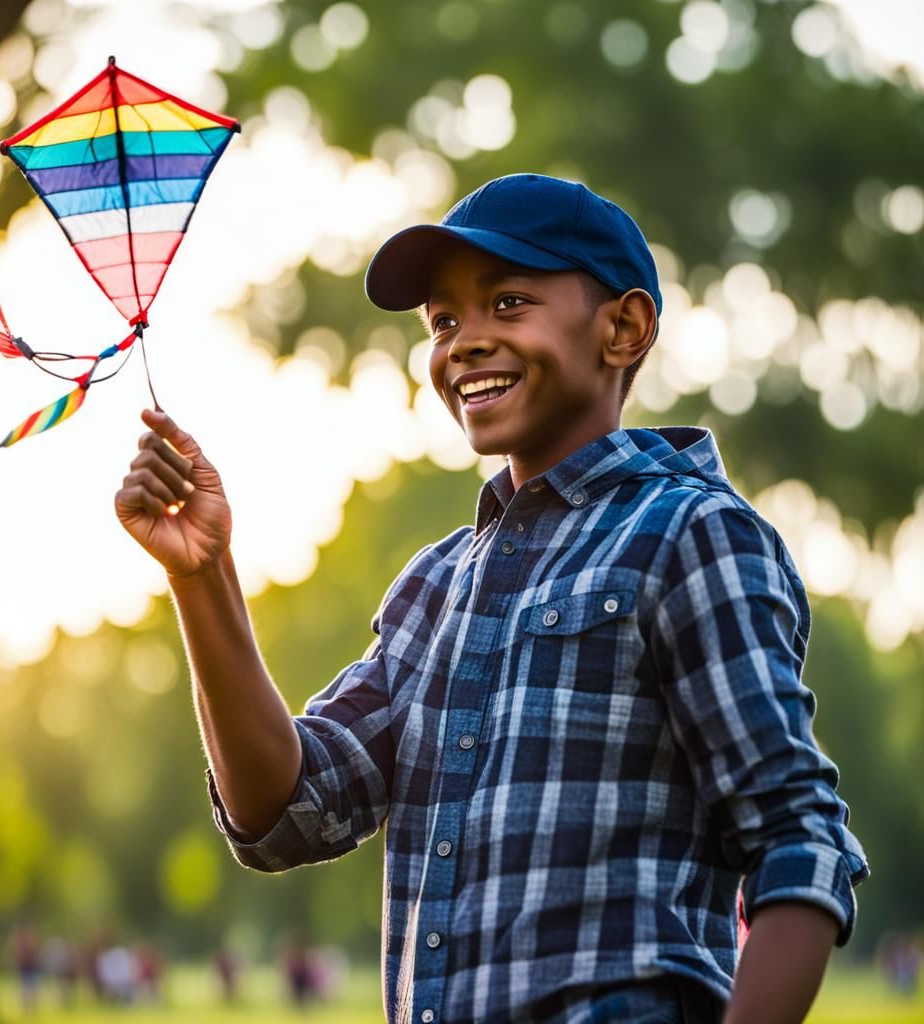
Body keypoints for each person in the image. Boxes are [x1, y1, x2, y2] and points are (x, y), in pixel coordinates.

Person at [115, 173, 869, 1023]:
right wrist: (202, 576)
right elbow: (289, 809)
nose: (464, 343)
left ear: (623, 329)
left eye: (508, 304)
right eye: (443, 322)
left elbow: (799, 840)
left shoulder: (689, 535)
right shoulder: (436, 586)